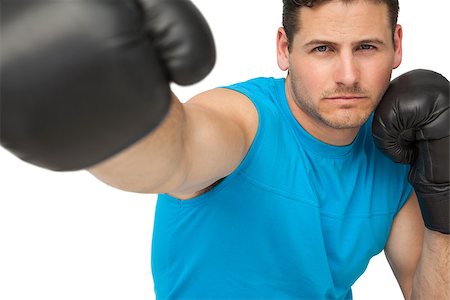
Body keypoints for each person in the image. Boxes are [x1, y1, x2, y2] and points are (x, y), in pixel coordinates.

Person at [1, 0, 448, 299]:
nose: (348, 75)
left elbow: (426, 292)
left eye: (366, 47)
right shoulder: (243, 118)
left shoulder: (396, 148)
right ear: (284, 49)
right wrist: (95, 118)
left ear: (397, 46)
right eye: (323, 49)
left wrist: (444, 196)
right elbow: (176, 155)